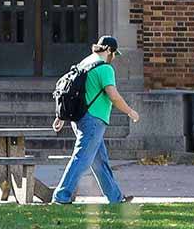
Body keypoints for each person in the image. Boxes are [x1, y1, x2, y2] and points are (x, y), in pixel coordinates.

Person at [51, 36, 141, 205]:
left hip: (79, 118)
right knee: (82, 159)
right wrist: (130, 112)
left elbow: (70, 91)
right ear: (108, 50)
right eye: (113, 53)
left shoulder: (85, 63)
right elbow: (113, 96)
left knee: (100, 162)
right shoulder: (105, 68)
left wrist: (61, 116)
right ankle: (61, 196)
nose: (113, 57)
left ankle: (115, 198)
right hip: (93, 120)